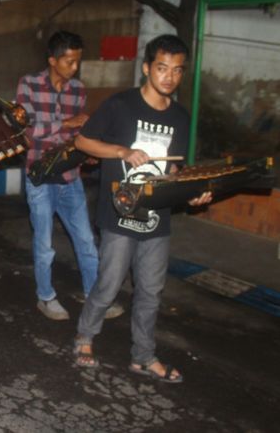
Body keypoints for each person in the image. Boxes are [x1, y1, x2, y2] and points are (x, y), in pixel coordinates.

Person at [73, 34, 211, 382]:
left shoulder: (180, 117)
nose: (169, 77)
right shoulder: (121, 105)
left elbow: (173, 170)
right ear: (147, 68)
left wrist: (191, 194)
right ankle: (85, 337)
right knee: (109, 284)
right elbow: (82, 140)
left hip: (156, 218)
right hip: (119, 215)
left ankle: (143, 356)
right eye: (162, 68)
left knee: (151, 292)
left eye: (177, 71)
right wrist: (122, 152)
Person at [16, 31, 123, 321]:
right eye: (68, 61)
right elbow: (26, 133)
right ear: (52, 60)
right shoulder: (29, 84)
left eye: (77, 61)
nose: (74, 67)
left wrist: (85, 148)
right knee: (45, 244)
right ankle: (46, 297)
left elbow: (77, 133)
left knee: (87, 241)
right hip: (39, 177)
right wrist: (66, 122)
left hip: (69, 176)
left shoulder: (77, 89)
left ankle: (94, 295)